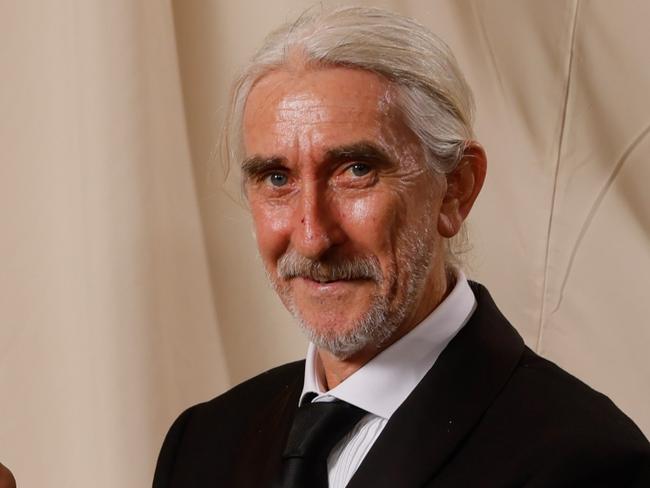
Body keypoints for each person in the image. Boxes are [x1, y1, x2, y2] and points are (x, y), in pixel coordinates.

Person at [153, 6, 650, 487]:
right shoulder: (202, 444)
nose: (312, 236)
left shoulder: (585, 461)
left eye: (356, 171)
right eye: (277, 178)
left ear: (455, 189)